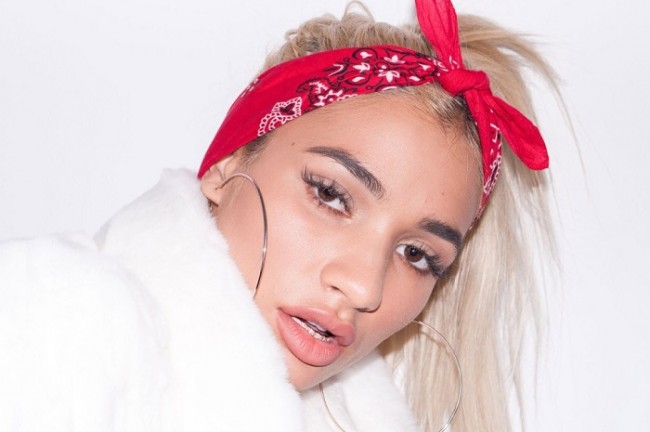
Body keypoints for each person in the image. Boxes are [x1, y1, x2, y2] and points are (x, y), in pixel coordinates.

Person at [0, 0, 558, 430]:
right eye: (331, 195)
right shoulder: (53, 319)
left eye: (417, 255)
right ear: (226, 164)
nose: (363, 286)